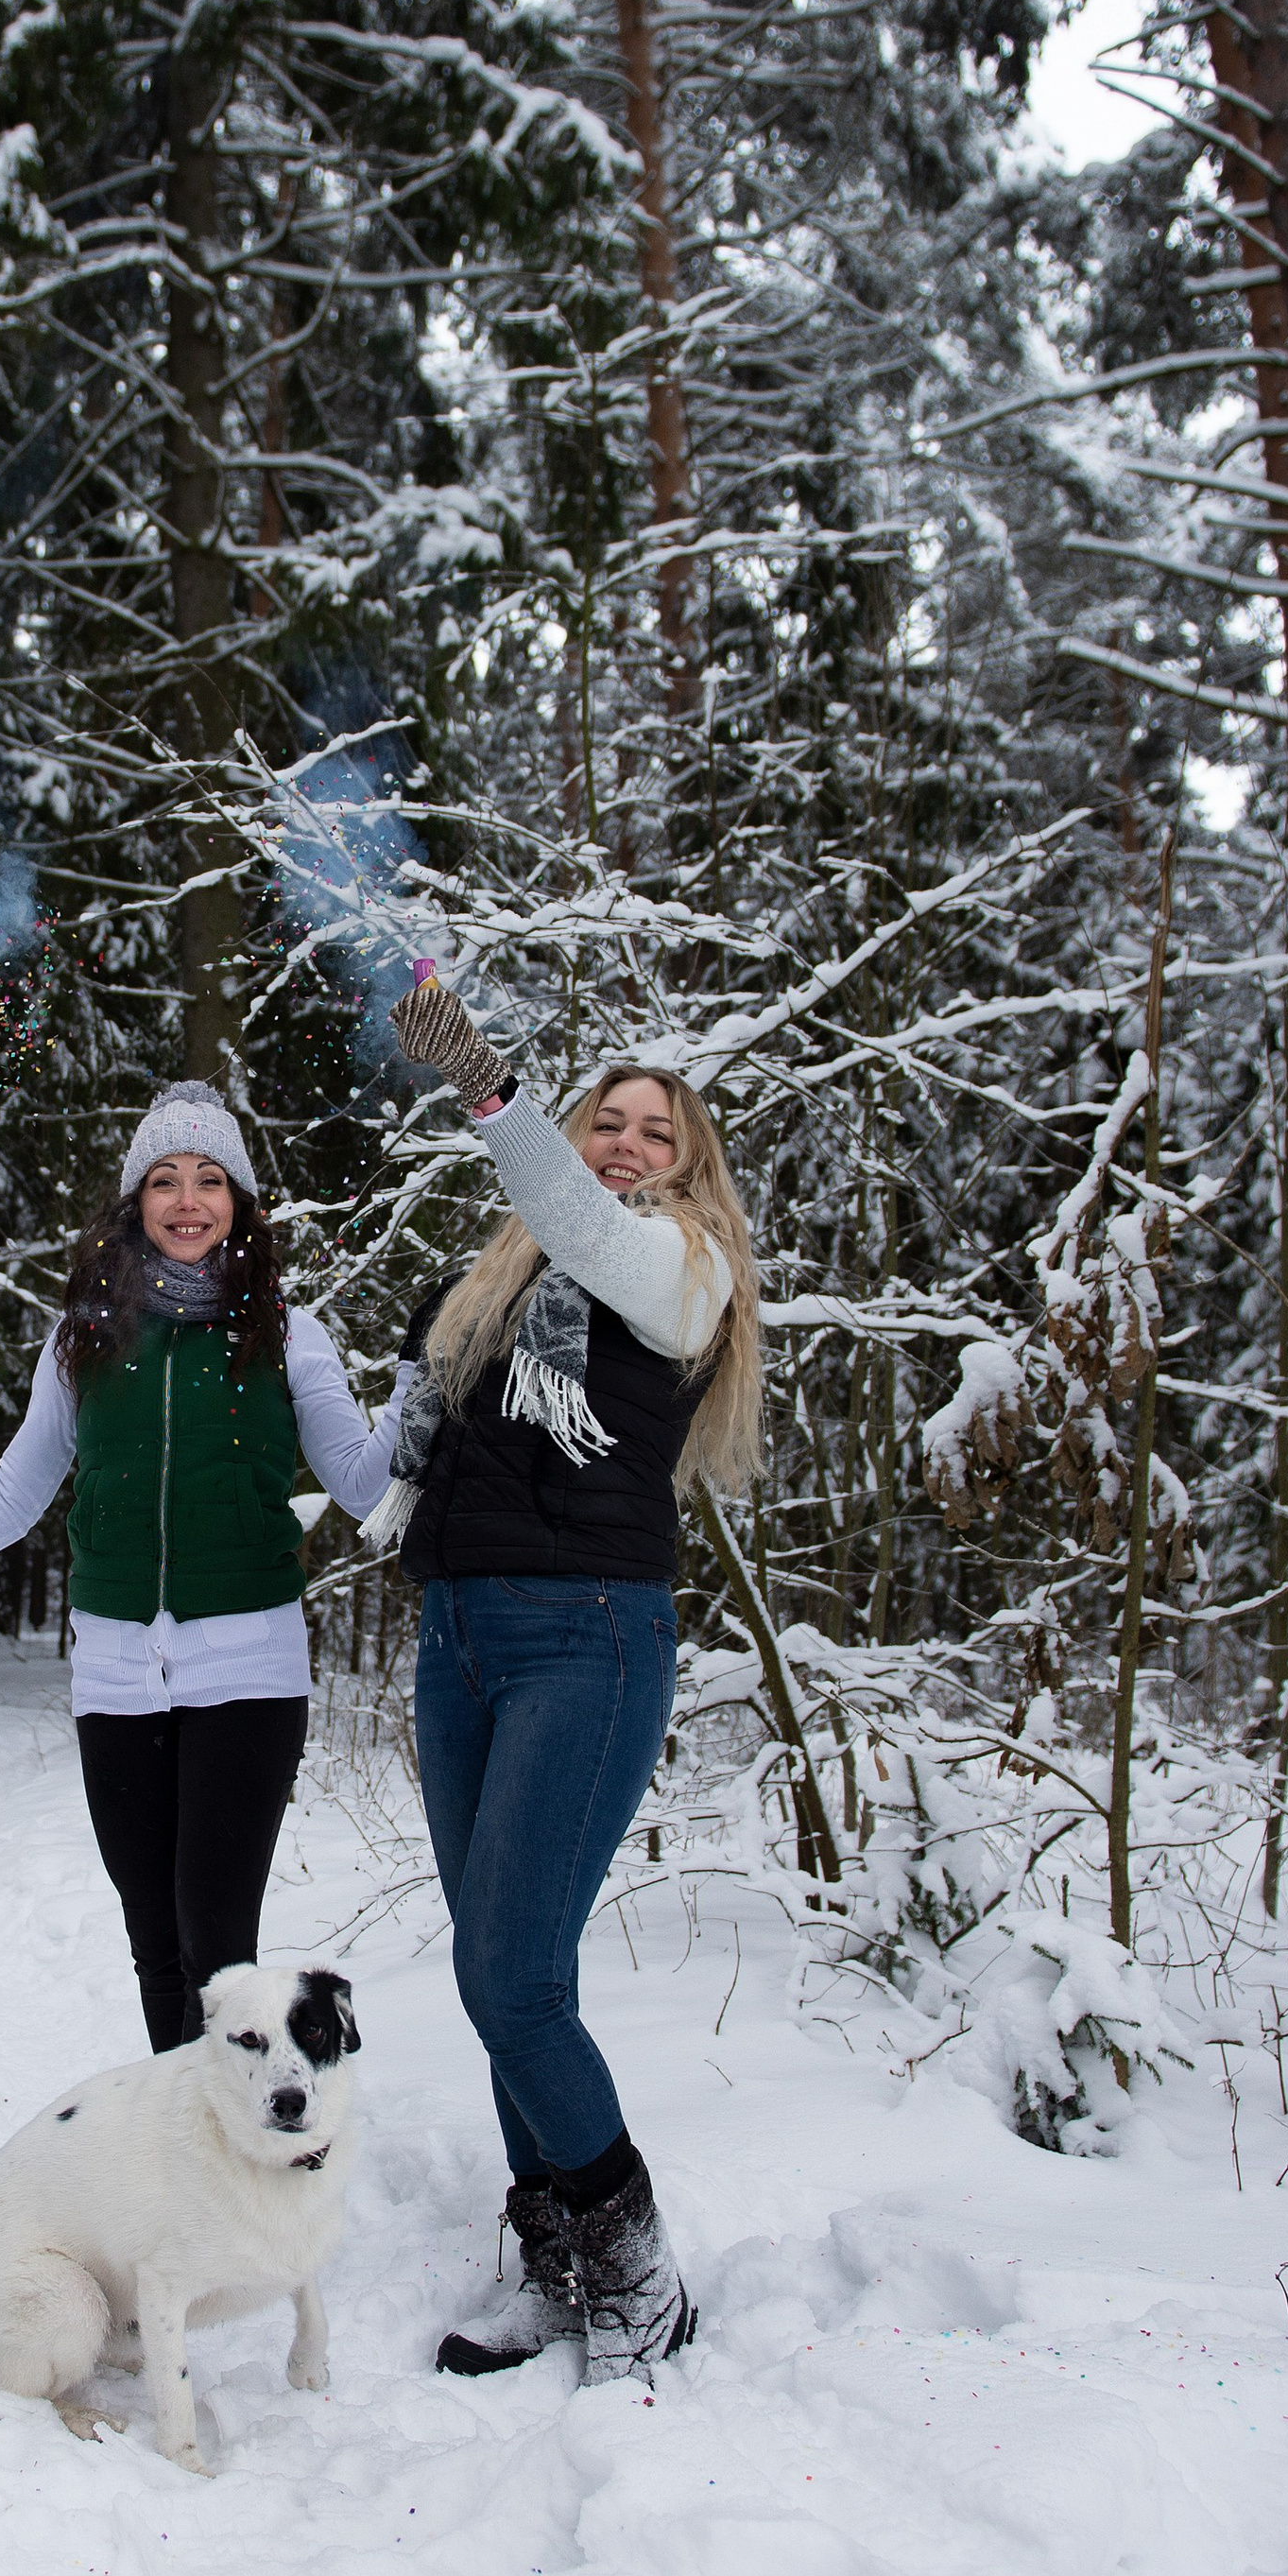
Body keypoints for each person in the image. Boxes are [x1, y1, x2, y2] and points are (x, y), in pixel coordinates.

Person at [0, 1081, 396, 2051]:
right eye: (165, 1180)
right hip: (115, 1676)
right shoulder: (84, 1335)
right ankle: (184, 2135)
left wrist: (418, 1383)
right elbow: (11, 1495)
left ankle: (253, 2144)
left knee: (215, 1939)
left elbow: (364, 1484)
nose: (187, 1199)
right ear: (135, 1201)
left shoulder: (287, 1332)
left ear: (238, 1202)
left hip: (247, 1666)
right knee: (154, 1939)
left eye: (209, 1179)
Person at [378, 976, 764, 2384]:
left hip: (587, 1638)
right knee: (505, 1982)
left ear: (689, 1160)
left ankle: (638, 2275)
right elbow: (405, 1452)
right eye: (607, 1122)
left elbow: (594, 1233)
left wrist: (489, 1085)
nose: (624, 1144)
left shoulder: (680, 1271)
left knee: (512, 1973)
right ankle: (560, 2267)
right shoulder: (500, 1287)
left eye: (654, 1130)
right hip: (463, 1633)